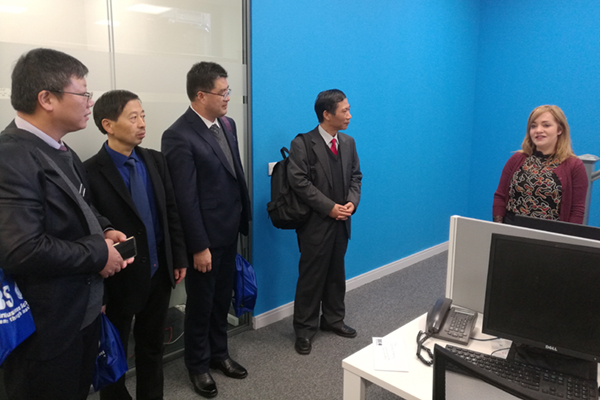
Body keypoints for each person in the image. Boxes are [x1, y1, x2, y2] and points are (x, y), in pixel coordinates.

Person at [0, 48, 130, 400]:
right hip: (46, 329)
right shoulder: (10, 157)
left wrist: (104, 229)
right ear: (46, 99)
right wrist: (99, 254)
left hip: (81, 313)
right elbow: (21, 249)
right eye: (83, 93)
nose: (90, 102)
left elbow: (80, 207)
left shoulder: (60, 149)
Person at [84, 90, 189, 400]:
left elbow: (170, 212)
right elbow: (91, 229)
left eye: (143, 115)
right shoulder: (89, 171)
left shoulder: (155, 160)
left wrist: (178, 257)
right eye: (133, 117)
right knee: (114, 353)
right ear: (108, 125)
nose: (142, 123)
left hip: (158, 273)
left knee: (152, 347)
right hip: (119, 280)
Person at [161, 62, 251, 399]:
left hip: (229, 230)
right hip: (204, 240)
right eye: (222, 92)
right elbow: (185, 199)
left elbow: (232, 174)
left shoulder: (227, 124)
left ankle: (219, 353)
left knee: (222, 299)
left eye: (228, 91)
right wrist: (198, 247)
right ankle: (197, 365)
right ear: (201, 95)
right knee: (201, 304)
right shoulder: (178, 135)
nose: (228, 97)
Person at [287, 89, 363, 355]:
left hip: (342, 222)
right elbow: (298, 182)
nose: (349, 115)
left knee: (336, 274)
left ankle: (333, 320)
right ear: (327, 114)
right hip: (315, 223)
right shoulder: (302, 144)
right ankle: (304, 330)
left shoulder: (349, 142)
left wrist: (352, 202)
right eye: (345, 110)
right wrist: (329, 208)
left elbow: (356, 176)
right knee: (311, 276)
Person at [493, 105, 588, 224]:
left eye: (546, 125)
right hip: (512, 229)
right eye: (533, 126)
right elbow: (500, 196)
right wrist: (498, 227)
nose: (538, 130)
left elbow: (577, 210)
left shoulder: (574, 166)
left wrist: (567, 236)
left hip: (550, 232)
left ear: (560, 130)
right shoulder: (517, 159)